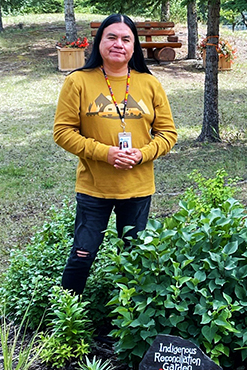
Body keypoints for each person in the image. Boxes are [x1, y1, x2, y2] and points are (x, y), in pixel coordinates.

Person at [53, 14, 177, 294]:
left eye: (126, 38)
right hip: (94, 187)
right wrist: (105, 153)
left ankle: (127, 327)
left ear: (134, 47)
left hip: (137, 187)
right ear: (99, 43)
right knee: (82, 255)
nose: (118, 44)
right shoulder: (78, 82)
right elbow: (63, 132)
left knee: (133, 260)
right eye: (111, 37)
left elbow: (168, 134)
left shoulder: (150, 84)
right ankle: (67, 319)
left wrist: (143, 154)